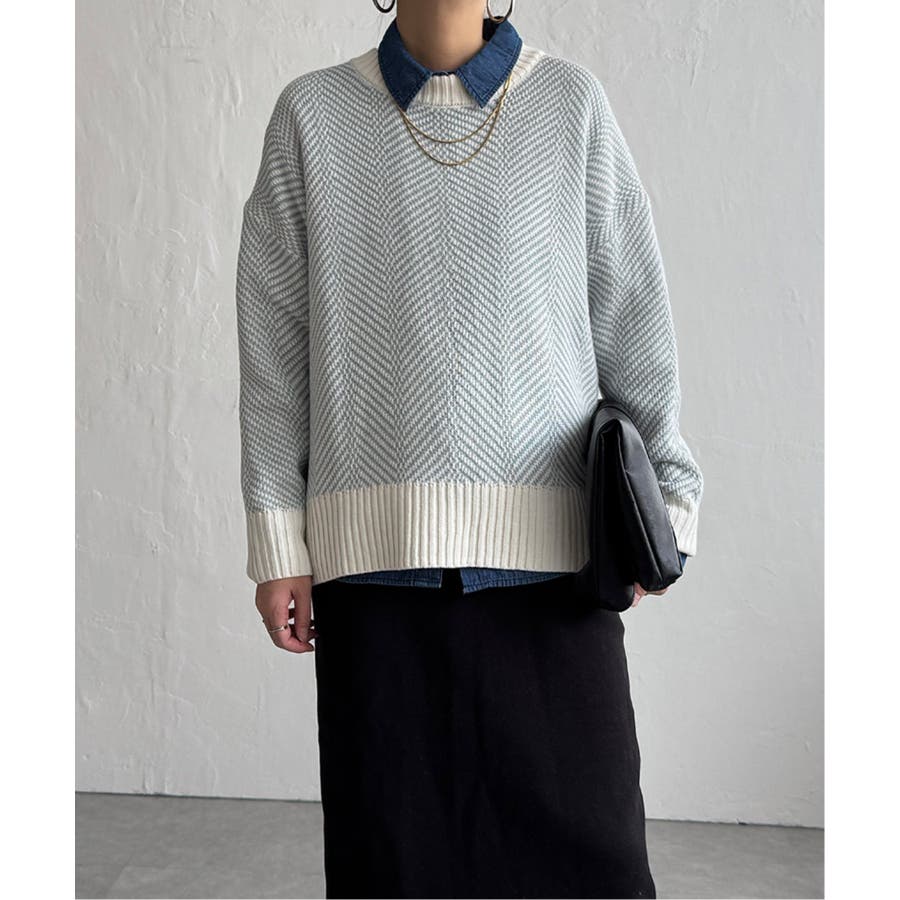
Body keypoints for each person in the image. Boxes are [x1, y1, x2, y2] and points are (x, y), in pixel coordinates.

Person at [234, 1, 703, 897]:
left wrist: (667, 510)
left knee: (595, 872)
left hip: (557, 577)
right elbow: (275, 349)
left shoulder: (570, 106)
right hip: (376, 575)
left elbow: (633, 313)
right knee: (393, 871)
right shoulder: (311, 117)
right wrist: (278, 539)